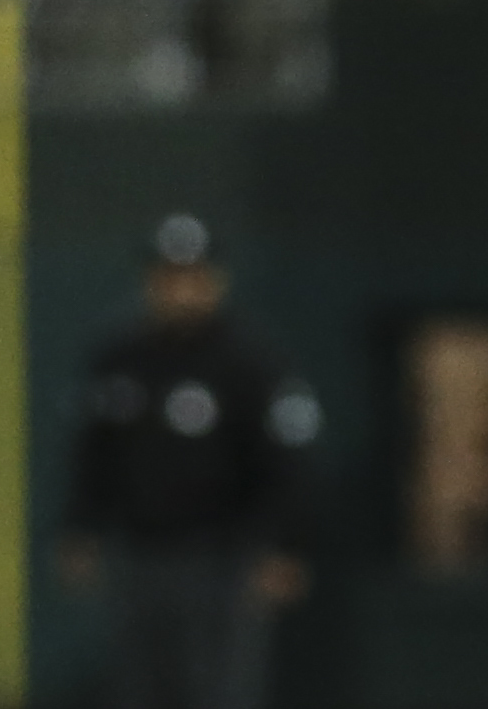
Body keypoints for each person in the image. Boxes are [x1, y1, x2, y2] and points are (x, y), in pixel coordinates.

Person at [59, 214, 320, 709]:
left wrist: (285, 544)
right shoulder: (120, 358)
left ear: (216, 281)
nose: (180, 290)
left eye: (192, 276)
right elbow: (93, 452)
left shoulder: (250, 362)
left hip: (220, 556)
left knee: (215, 690)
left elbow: (285, 464)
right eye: (168, 276)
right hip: (137, 553)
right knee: (141, 689)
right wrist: (82, 527)